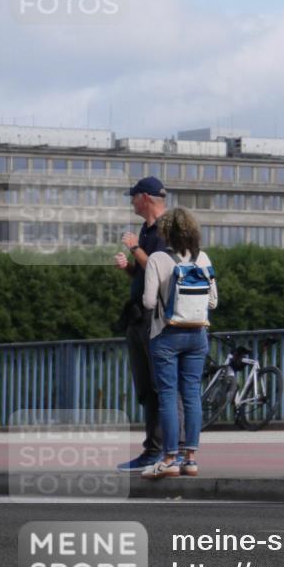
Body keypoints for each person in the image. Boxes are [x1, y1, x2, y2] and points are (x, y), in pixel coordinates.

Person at [140, 208, 218, 479]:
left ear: (166, 232)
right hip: (198, 335)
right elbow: (213, 301)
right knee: (192, 395)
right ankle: (191, 459)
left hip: (166, 336)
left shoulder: (158, 259)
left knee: (169, 396)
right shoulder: (203, 258)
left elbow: (149, 302)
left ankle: (170, 458)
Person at [113, 176, 181, 472]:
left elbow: (161, 267)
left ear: (146, 198)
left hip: (157, 320)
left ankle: (168, 450)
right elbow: (146, 272)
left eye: (133, 197)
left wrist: (134, 249)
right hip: (139, 316)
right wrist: (130, 268)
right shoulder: (147, 228)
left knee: (161, 385)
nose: (131, 202)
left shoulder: (167, 228)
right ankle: (153, 450)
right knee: (145, 387)